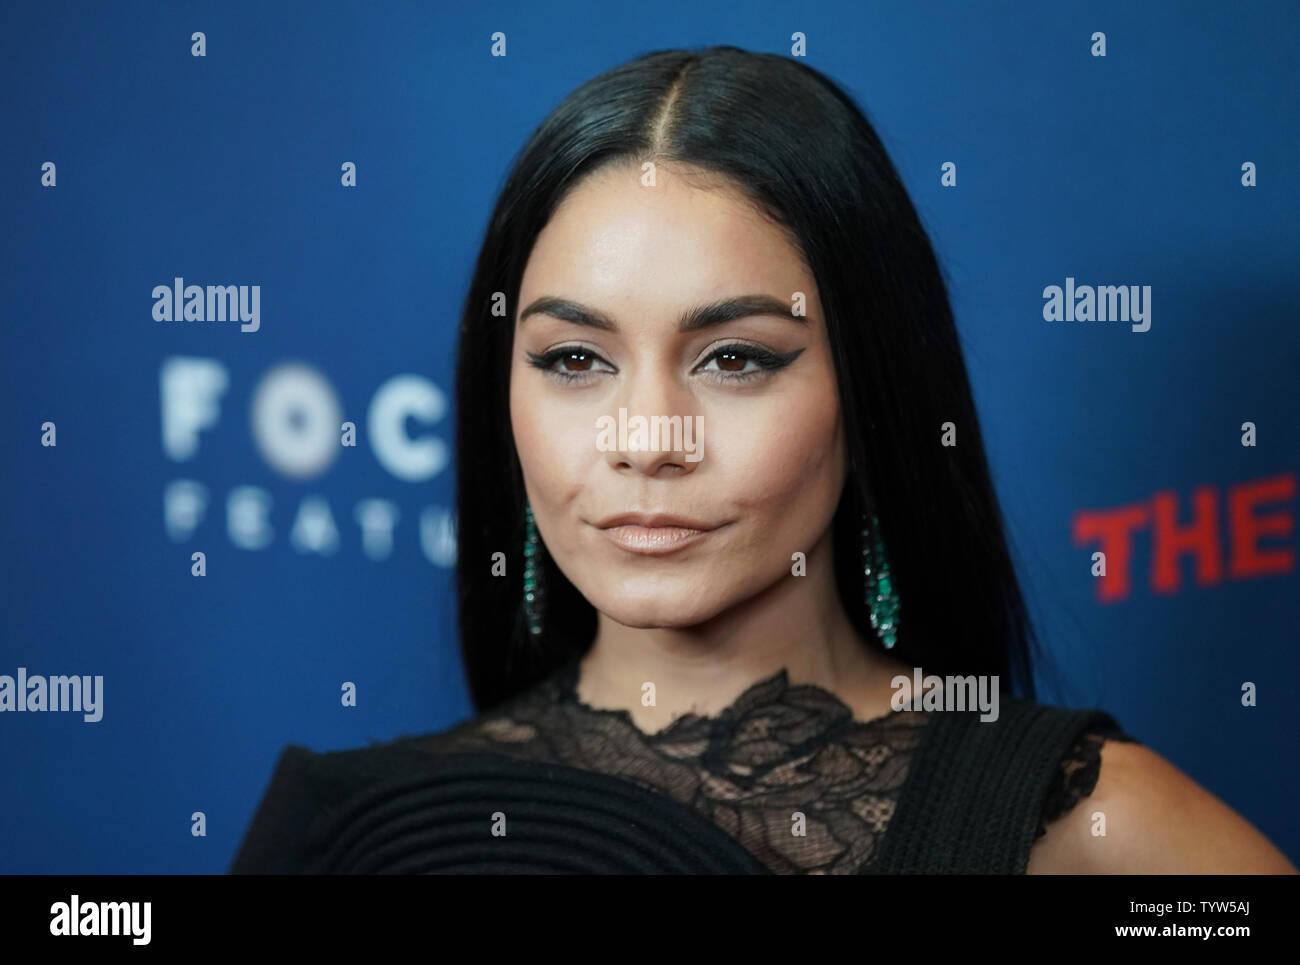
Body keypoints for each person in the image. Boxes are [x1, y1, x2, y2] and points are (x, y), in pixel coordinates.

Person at [230, 45, 1296, 875]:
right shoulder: (340, 829)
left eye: (735, 357)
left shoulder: (1092, 829)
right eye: (572, 358)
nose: (646, 438)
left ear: (867, 388)